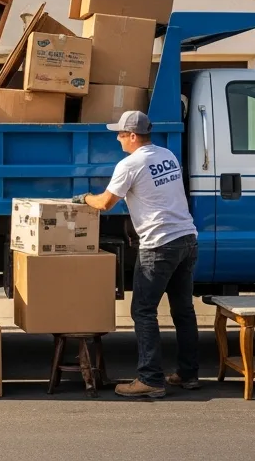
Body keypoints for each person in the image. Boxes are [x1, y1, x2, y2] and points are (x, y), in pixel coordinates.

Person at [73, 110, 199, 399]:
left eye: (120, 133)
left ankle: (150, 379)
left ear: (132, 136)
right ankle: (188, 375)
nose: (117, 138)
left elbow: (105, 203)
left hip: (159, 244)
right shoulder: (166, 155)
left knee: (142, 311)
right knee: (184, 310)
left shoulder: (130, 164)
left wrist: (83, 199)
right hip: (187, 238)